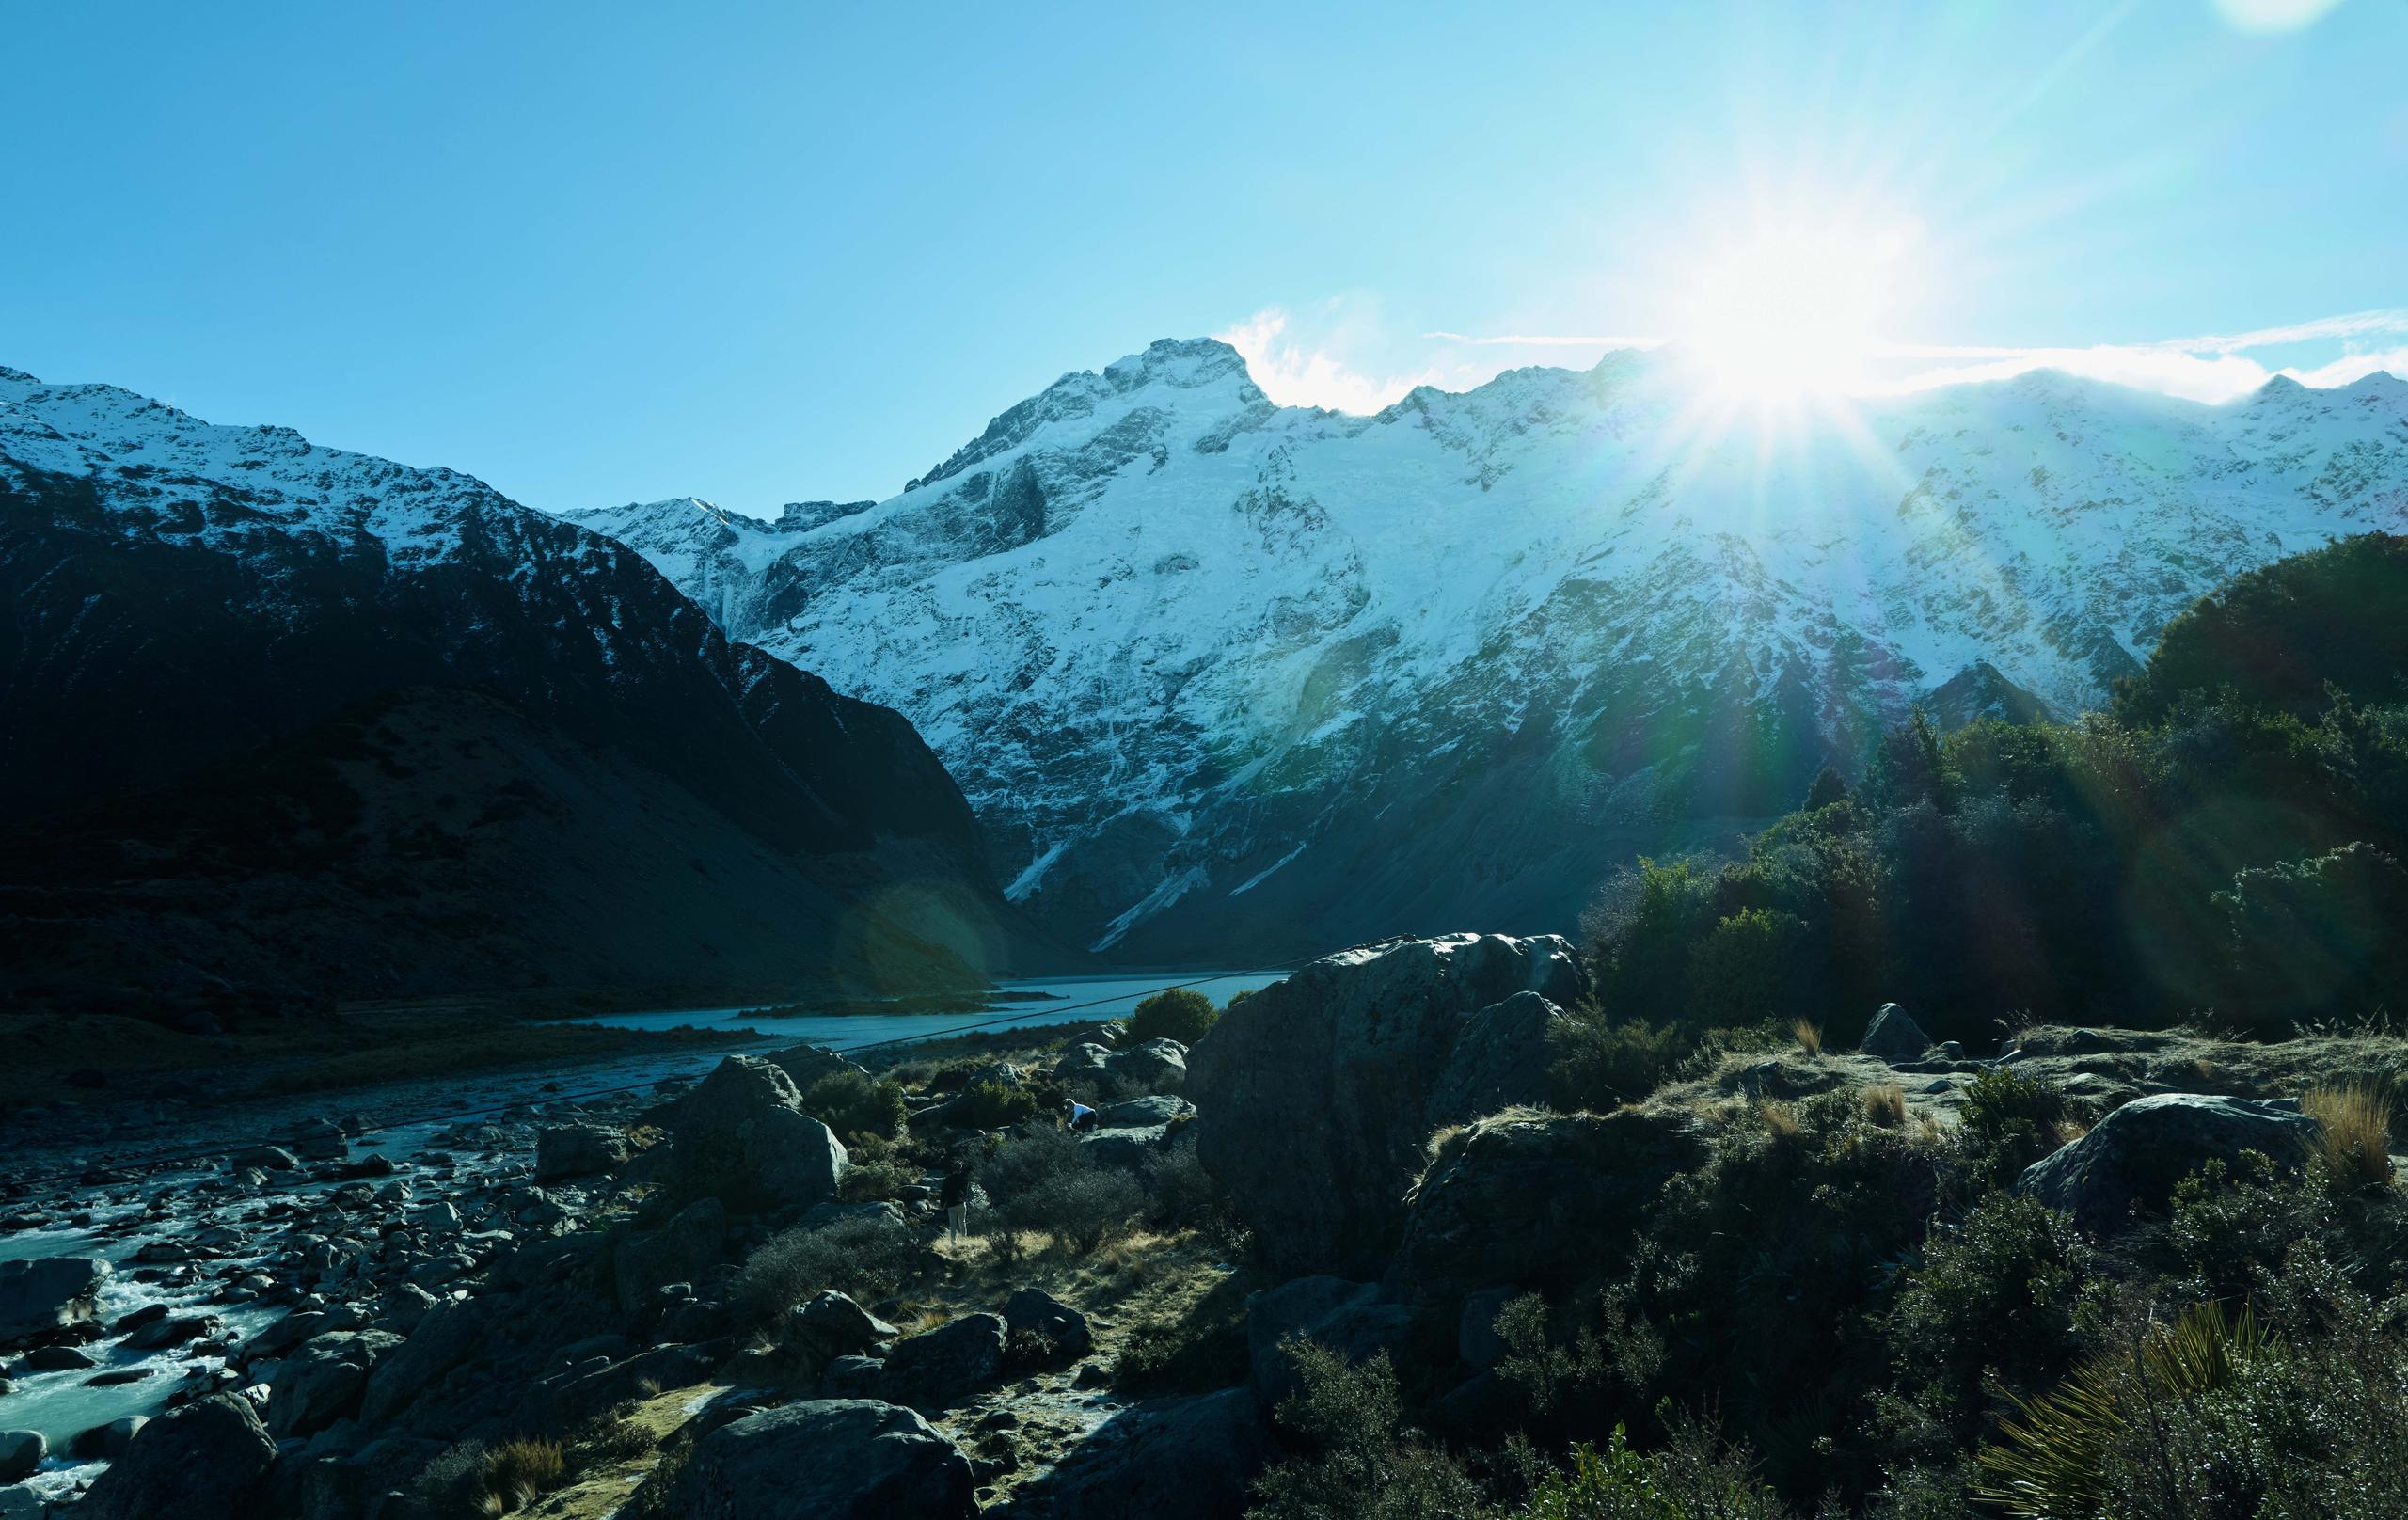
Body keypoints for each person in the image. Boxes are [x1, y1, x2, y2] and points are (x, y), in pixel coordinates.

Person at [941, 1154, 972, 1245]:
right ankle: (964, 1243)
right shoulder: (964, 1178)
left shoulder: (947, 1179)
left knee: (953, 1225)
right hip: (961, 1203)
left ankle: (953, 1244)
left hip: (951, 1205)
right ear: (960, 1168)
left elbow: (943, 1193)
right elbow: (966, 1190)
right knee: (962, 1223)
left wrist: (942, 1205)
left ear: (952, 1168)